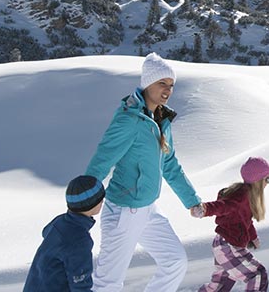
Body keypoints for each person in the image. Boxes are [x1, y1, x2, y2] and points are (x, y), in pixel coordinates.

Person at [85, 52, 204, 291]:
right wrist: (82, 203)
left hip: (148, 209)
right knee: (108, 282)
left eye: (171, 85)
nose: (168, 90)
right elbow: (102, 160)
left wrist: (191, 200)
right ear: (147, 82)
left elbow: (169, 164)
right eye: (162, 83)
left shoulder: (160, 120)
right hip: (123, 211)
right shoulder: (129, 120)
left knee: (175, 262)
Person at [196, 157, 269, 292]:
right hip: (229, 246)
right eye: (267, 179)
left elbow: (246, 221)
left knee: (220, 285)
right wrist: (205, 209)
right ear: (258, 180)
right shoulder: (242, 196)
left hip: (223, 244)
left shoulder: (247, 196)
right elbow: (224, 206)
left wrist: (253, 237)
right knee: (257, 275)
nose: (268, 183)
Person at [25, 175, 105, 291]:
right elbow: (80, 283)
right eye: (100, 199)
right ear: (91, 204)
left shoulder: (60, 221)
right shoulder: (79, 240)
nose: (102, 201)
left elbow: (45, 232)